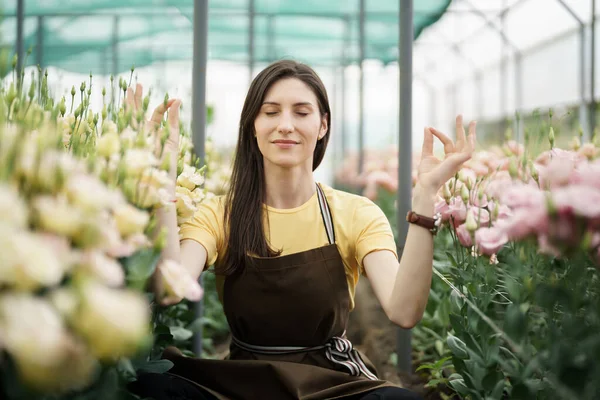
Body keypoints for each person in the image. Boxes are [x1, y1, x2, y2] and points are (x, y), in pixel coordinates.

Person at [127, 60, 476, 400]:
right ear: (252, 125)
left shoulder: (355, 213)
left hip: (331, 384)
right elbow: (171, 288)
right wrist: (160, 179)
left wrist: (426, 196)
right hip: (243, 382)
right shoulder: (219, 214)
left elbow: (403, 311)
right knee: (152, 386)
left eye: (301, 112)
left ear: (323, 125)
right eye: (271, 111)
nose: (285, 125)